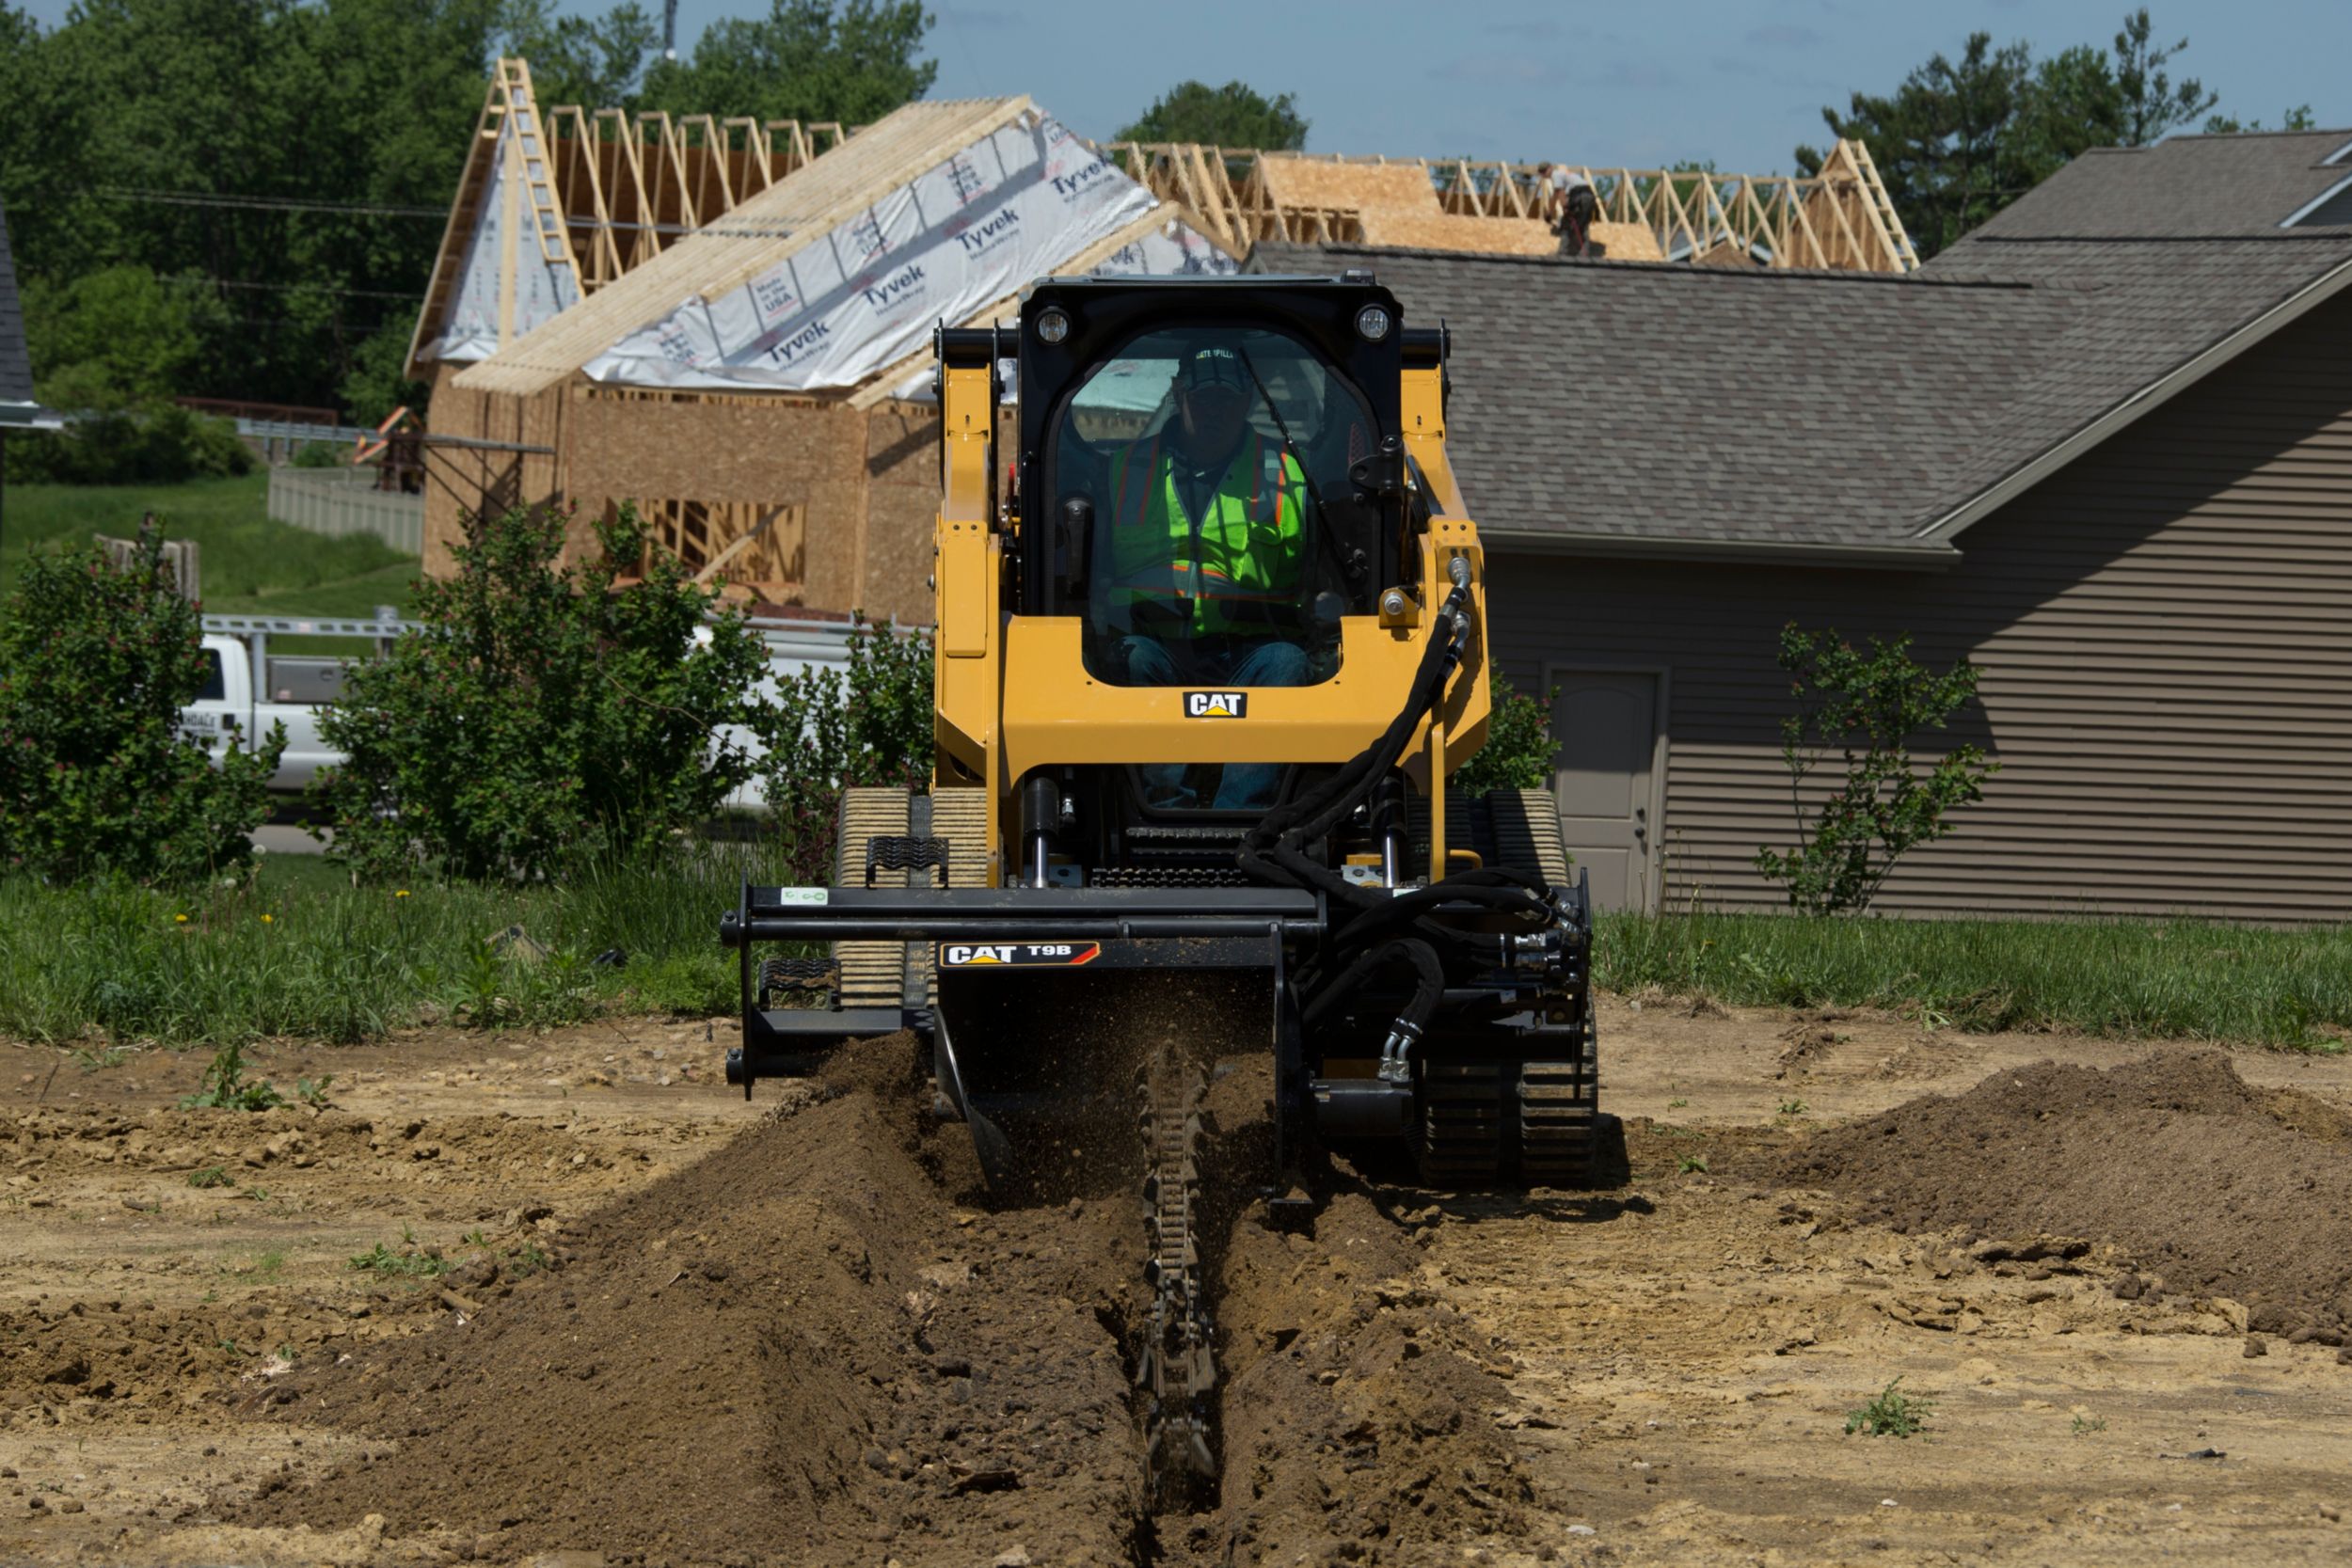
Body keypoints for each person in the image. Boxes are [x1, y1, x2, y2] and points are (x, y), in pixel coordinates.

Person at [1104, 342, 1311, 809]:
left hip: (1251, 647)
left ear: (1248, 403)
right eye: (1202, 399)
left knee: (1286, 665)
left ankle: (1243, 819)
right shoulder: (1123, 470)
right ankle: (1162, 810)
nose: (1214, 412)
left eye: (1226, 400)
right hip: (1157, 642)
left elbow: (1309, 576)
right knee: (1131, 659)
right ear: (1179, 396)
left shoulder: (1288, 474)